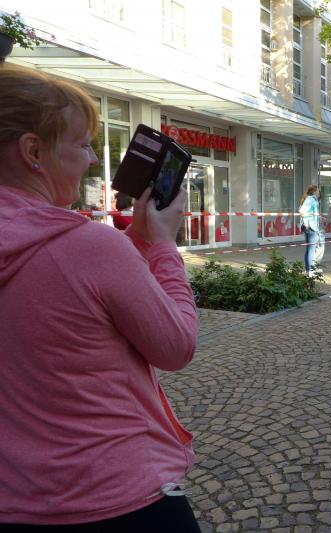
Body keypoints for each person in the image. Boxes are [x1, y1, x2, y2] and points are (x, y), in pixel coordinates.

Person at [0, 65, 199, 531]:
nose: (92, 159)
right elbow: (177, 346)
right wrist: (163, 245)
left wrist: (139, 242)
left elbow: (70, 293)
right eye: (83, 144)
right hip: (118, 496)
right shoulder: (89, 246)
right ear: (34, 151)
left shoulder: (81, 249)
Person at [299, 184, 321, 276]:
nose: (319, 192)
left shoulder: (310, 199)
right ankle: (310, 271)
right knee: (311, 249)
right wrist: (307, 223)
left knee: (309, 249)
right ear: (314, 191)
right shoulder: (311, 199)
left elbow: (308, 212)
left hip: (310, 226)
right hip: (311, 227)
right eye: (318, 190)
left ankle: (309, 270)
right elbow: (302, 211)